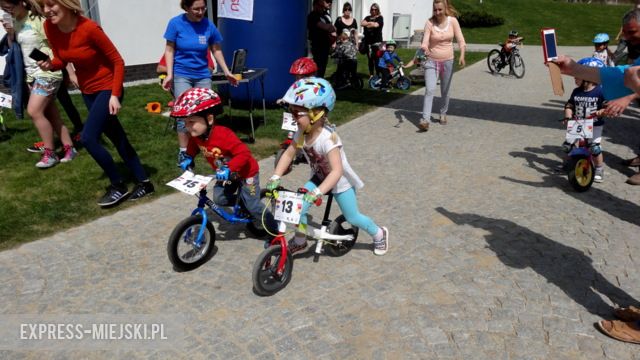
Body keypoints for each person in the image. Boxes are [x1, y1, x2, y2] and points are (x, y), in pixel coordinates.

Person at [39, 0, 154, 206]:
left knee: (88, 138)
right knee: (116, 136)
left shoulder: (89, 28)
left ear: (67, 4)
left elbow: (117, 61)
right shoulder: (50, 27)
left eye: (51, 5)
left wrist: (115, 94)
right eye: (43, 7)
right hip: (88, 90)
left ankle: (118, 185)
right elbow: (61, 59)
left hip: (108, 88)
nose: (46, 11)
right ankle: (144, 181)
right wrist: (50, 65)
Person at [267, 77, 389, 256]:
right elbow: (288, 153)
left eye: (297, 114)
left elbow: (337, 171)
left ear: (316, 113)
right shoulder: (301, 133)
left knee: (352, 217)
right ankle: (300, 240)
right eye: (291, 112)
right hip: (320, 177)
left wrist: (317, 193)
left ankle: (379, 233)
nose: (293, 117)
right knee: (298, 209)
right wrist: (276, 176)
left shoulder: (328, 139)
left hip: (340, 182)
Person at [172, 87, 278, 235]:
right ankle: (243, 202)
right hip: (227, 175)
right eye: (185, 122)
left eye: (191, 122)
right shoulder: (197, 135)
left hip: (246, 173)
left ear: (209, 119)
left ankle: (275, 228)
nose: (187, 127)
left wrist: (229, 168)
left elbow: (244, 153)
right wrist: (188, 157)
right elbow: (193, 145)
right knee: (219, 198)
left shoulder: (224, 135)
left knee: (254, 206)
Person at [0, 0, 77, 168]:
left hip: (48, 73)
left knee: (34, 111)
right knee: (51, 114)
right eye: (3, 9)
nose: (7, 11)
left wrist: (70, 72)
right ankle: (69, 148)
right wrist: (11, 34)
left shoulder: (38, 20)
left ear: (20, 2)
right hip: (31, 75)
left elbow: (57, 46)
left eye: (9, 7)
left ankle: (50, 154)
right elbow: (14, 49)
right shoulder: (15, 22)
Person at [162, 0, 237, 166]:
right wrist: (169, 74)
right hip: (182, 74)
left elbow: (216, 49)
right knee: (184, 114)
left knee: (206, 114)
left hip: (203, 75)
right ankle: (184, 152)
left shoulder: (208, 25)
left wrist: (226, 71)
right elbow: (169, 49)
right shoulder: (176, 23)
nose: (201, 12)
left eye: (203, 8)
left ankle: (212, 149)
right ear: (187, 8)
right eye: (196, 9)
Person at [417, 0, 466, 132]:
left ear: (445, 9)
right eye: (435, 10)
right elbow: (425, 41)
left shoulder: (453, 21)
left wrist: (462, 55)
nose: (437, 13)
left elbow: (461, 40)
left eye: (440, 9)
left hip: (448, 61)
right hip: (431, 61)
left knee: (445, 90)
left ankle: (443, 112)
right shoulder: (429, 23)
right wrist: (424, 47)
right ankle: (425, 120)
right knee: (430, 89)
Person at [561, 57, 607, 183]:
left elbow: (607, 106)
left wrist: (602, 111)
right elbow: (570, 105)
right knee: (567, 145)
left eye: (578, 75)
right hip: (578, 122)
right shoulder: (576, 91)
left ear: (589, 76)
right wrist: (568, 115)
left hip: (595, 123)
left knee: (594, 147)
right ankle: (567, 164)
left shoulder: (600, 91)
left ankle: (598, 168)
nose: (575, 78)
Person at [307, 0, 336, 78]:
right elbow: (326, 27)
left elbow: (332, 27)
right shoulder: (312, 16)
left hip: (325, 45)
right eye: (320, 6)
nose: (322, 8)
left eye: (322, 6)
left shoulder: (325, 15)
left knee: (322, 67)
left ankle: (320, 81)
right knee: (316, 66)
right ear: (315, 5)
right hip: (316, 45)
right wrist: (329, 27)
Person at [361, 3, 383, 78]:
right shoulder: (367, 17)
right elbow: (362, 23)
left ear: (377, 10)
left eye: (375, 9)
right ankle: (371, 74)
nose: (373, 11)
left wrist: (369, 24)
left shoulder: (380, 18)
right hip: (369, 43)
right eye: (372, 9)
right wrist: (370, 23)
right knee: (370, 59)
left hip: (377, 43)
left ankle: (378, 74)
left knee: (377, 59)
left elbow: (376, 25)